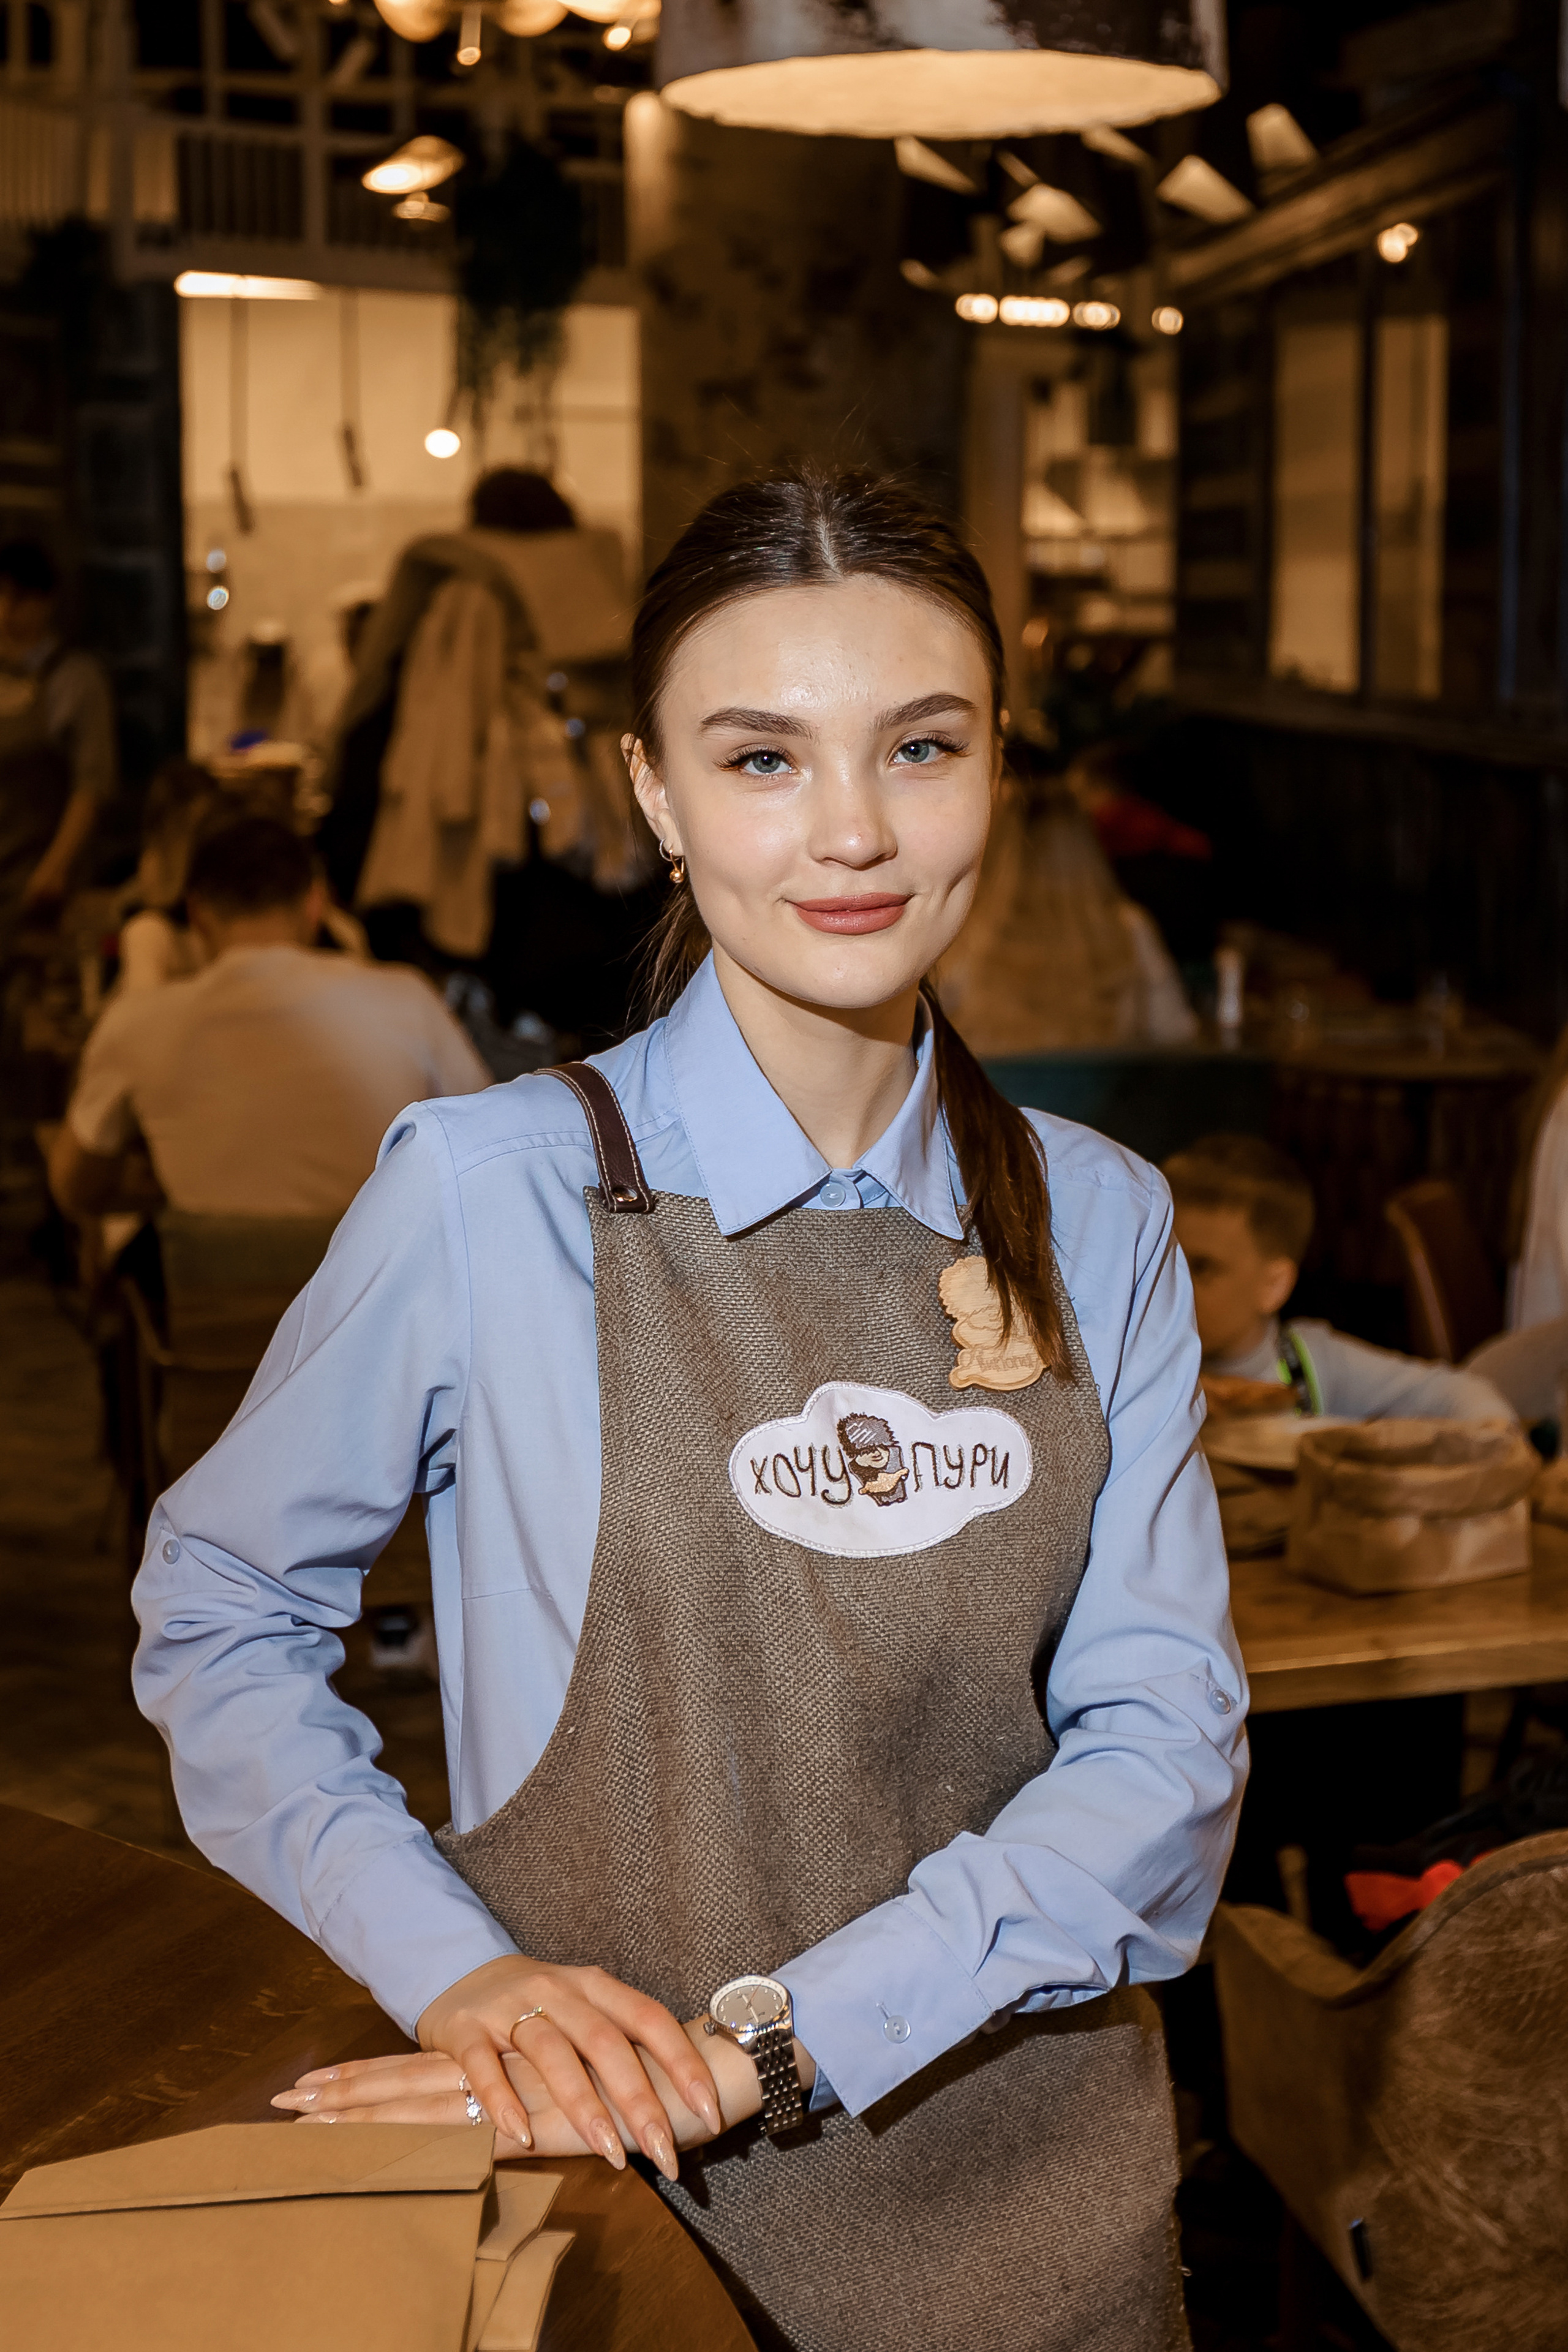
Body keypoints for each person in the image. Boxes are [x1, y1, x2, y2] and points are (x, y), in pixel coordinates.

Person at [132, 470, 1246, 2352]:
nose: (851, 830)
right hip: (621, 2203)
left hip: (1035, 2215)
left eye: (920, 745)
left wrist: (770, 2043)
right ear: (653, 793)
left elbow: (1161, 1745)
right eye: (759, 758)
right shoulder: (486, 1190)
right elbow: (222, 1609)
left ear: (994, 768)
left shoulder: (1099, 1213)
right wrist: (455, 1968)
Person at [49, 815, 488, 1224]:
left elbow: (73, 1188)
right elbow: (489, 1142)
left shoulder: (139, 1023)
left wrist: (163, 1200)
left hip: (220, 1298)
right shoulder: (406, 997)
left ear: (197, 913)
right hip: (386, 1296)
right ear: (315, 904)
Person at [1164, 1133, 1513, 1421]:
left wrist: (1491, 1436)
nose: (1172, 1285)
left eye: (1202, 1269)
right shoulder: (1134, 1369)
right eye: (1164, 1262)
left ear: (1274, 1285)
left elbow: (1460, 1394)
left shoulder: (1314, 1362)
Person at [936, 774, 1197, 1052]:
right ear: (1087, 846)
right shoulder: (1130, 928)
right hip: (1098, 1094)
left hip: (990, 1093)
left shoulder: (964, 932)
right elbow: (1176, 1031)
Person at [0, 537, 115, 958]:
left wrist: (54, 868)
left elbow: (92, 783)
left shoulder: (75, 679)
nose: (6, 611)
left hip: (39, 879)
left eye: (19, 598)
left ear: (45, 602)